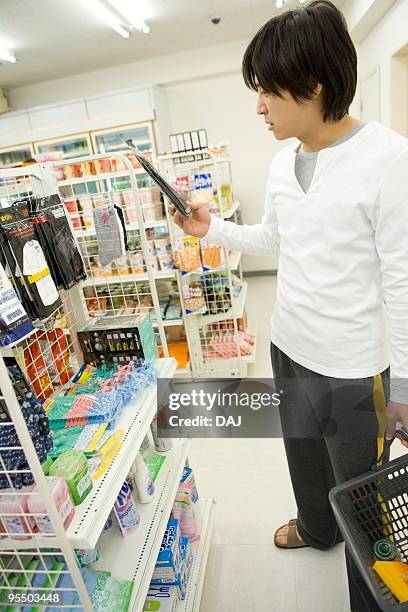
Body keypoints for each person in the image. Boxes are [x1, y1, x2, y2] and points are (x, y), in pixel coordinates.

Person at [171, 1, 408, 610]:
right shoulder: (282, 162)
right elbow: (276, 239)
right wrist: (211, 229)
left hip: (355, 365)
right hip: (289, 344)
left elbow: (404, 283)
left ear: (313, 84)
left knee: (364, 495)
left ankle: (370, 593)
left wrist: (403, 385)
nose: (258, 107)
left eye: (267, 92)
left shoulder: (389, 160)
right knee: (302, 452)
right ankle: (315, 527)